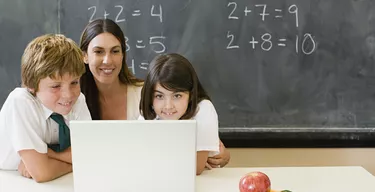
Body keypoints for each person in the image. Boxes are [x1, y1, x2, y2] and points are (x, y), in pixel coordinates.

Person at [79, 18, 229, 167]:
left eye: (115, 51)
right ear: (84, 55)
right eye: (98, 51)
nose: (107, 60)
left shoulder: (147, 94)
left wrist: (218, 152)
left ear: (123, 54)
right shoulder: (74, 98)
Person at [0, 34, 91, 182]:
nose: (68, 95)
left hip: (53, 185)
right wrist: (76, 162)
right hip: (8, 183)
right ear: (32, 87)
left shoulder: (78, 99)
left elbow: (90, 154)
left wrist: (49, 155)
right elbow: (42, 173)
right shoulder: (21, 102)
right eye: (56, 86)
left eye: (74, 82)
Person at [139, 53, 223, 175]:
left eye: (177, 96)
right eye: (159, 96)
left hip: (202, 184)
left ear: (191, 94)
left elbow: (196, 167)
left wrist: (155, 159)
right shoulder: (149, 114)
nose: (168, 106)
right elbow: (139, 161)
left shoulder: (203, 109)